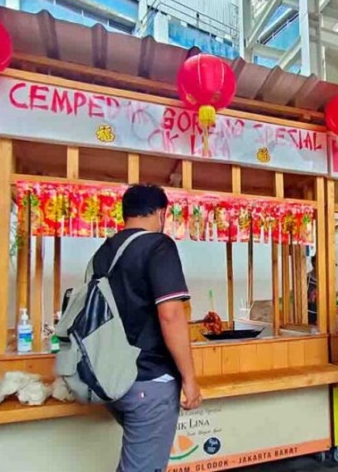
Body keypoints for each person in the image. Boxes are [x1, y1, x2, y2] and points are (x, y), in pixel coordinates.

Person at [92, 184, 202, 472]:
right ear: (160, 212)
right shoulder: (158, 245)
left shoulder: (105, 251)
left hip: (110, 380)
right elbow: (171, 314)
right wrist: (189, 379)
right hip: (148, 381)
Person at [307, 254, 318, 324]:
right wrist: (311, 299)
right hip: (310, 320)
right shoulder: (306, 279)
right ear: (314, 262)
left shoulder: (328, 280)